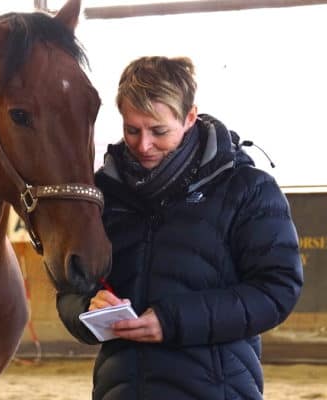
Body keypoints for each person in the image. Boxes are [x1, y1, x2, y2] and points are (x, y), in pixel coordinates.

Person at [56, 56, 303, 400]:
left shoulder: (248, 188)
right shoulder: (104, 195)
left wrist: (173, 320)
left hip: (216, 390)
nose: (143, 145)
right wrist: (86, 308)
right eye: (132, 129)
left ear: (189, 118)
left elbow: (277, 289)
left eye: (159, 131)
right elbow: (70, 287)